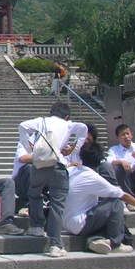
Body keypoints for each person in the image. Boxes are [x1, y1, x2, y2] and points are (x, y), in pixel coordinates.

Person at [18, 102, 87, 257]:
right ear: (67, 116)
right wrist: (74, 148)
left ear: (51, 112)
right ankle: (55, 244)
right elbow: (84, 128)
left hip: (39, 164)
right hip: (58, 165)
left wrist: (29, 148)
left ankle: (36, 226)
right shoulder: (68, 124)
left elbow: (22, 125)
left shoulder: (41, 121)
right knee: (57, 204)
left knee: (35, 194)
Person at [63, 140, 135, 254]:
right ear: (100, 161)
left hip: (66, 223)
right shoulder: (93, 177)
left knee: (106, 211)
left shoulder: (71, 170)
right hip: (79, 223)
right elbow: (122, 195)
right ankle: (115, 243)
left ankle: (95, 240)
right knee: (116, 204)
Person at [107, 124, 135, 198]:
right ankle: (131, 199)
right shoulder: (114, 149)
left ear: (131, 135)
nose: (126, 136)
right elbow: (108, 161)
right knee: (118, 167)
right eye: (123, 135)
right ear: (118, 138)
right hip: (125, 177)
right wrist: (121, 162)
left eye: (127, 133)